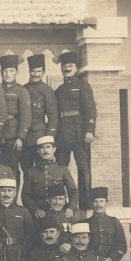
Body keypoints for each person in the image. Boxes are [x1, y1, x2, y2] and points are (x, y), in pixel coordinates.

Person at [55, 51, 97, 209]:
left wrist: (90, 130)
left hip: (79, 132)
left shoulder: (82, 86)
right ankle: (63, 201)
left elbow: (91, 110)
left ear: (76, 67)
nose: (67, 68)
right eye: (64, 66)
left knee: (83, 166)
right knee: (61, 168)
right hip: (62, 134)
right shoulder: (59, 90)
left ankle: (85, 202)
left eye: (70, 66)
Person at [21, 135, 79, 219]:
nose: (45, 150)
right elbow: (25, 195)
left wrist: (71, 208)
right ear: (38, 151)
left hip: (59, 211)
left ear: (54, 149)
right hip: (39, 213)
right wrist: (35, 209)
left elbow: (73, 191)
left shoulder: (62, 169)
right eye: (42, 148)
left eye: (48, 147)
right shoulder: (31, 172)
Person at [22, 54, 58, 173]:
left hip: (40, 136)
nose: (36, 74)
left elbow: (53, 117)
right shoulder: (23, 89)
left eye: (39, 71)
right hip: (25, 137)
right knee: (26, 169)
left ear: (43, 72)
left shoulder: (47, 91)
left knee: (41, 170)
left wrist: (48, 138)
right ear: (29, 71)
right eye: (33, 71)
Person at [0, 54, 32, 174]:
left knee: (12, 170)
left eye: (11, 71)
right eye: (5, 71)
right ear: (1, 72)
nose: (8, 74)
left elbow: (26, 116)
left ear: (16, 72)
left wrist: (20, 137)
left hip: (13, 136)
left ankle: (14, 194)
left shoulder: (21, 91)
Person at [88, 187, 127, 261]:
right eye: (95, 201)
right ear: (91, 204)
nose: (98, 205)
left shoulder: (114, 222)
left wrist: (111, 258)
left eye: (101, 201)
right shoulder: (85, 223)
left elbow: (122, 245)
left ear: (106, 203)